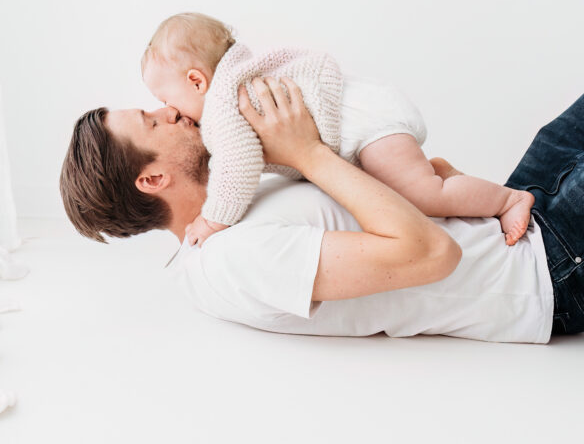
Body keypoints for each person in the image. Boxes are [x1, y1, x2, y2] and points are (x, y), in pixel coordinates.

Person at [59, 77, 584, 343]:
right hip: (551, 270)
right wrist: (305, 151)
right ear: (152, 180)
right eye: (152, 122)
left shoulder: (233, 199)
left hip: (524, 210)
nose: (169, 109)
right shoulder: (228, 261)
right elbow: (432, 254)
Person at [140, 13, 535, 248]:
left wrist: (213, 220)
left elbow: (236, 165)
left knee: (423, 197)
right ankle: (440, 173)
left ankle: (506, 201)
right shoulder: (236, 81)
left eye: (165, 97)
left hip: (364, 122)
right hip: (362, 115)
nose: (168, 109)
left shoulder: (224, 105)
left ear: (196, 80)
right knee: (398, 191)